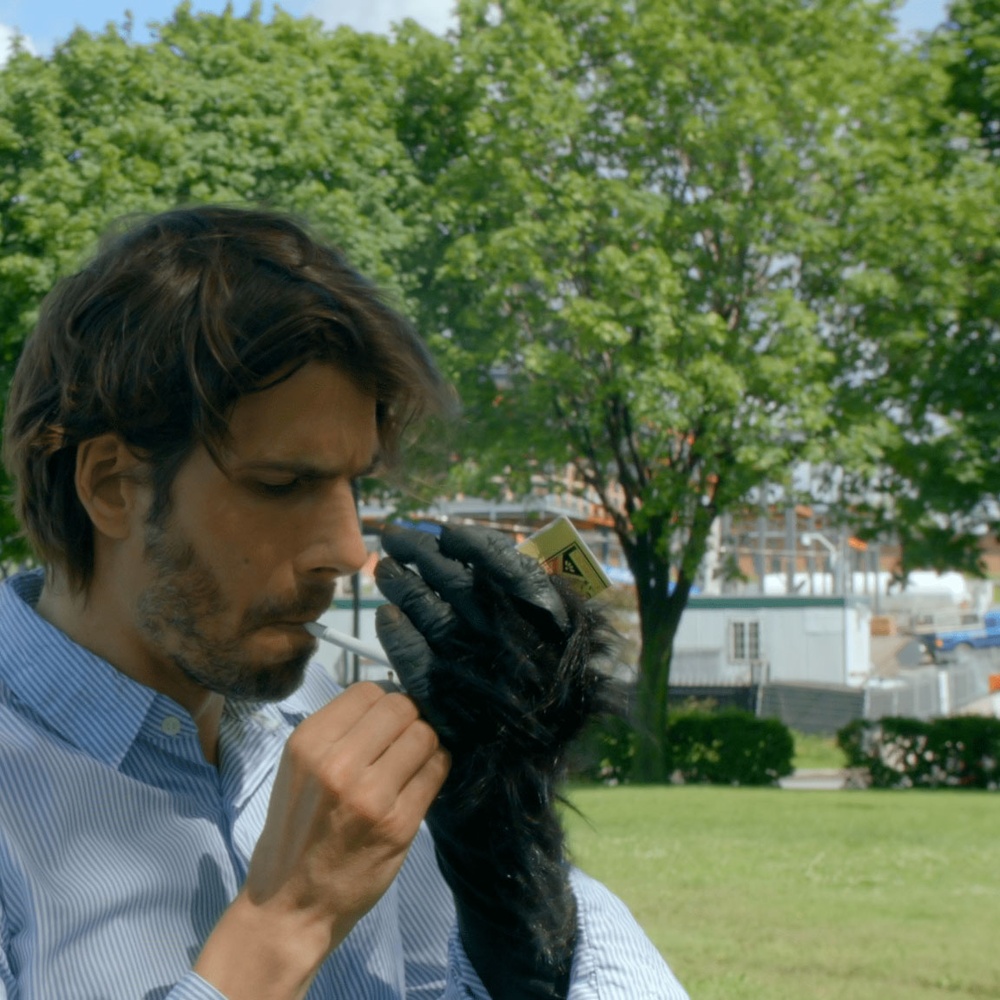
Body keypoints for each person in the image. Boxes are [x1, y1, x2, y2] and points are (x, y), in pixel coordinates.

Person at [0, 205, 689, 999]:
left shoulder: (328, 727)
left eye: (352, 483)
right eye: (281, 484)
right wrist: (287, 918)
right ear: (111, 485)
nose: (344, 548)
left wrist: (504, 837)